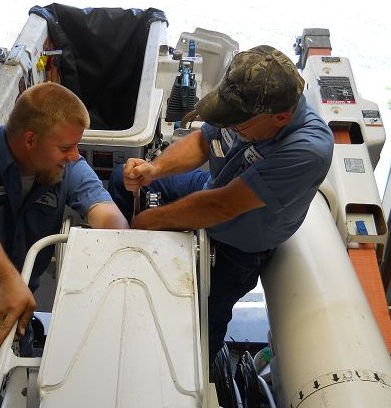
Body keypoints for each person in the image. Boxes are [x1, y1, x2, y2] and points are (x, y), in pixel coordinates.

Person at [109, 45, 334, 364]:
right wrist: (154, 169)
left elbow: (221, 207)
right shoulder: (251, 102)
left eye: (238, 126)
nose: (229, 128)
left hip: (237, 246)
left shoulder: (307, 150)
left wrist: (148, 222)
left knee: (201, 325)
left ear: (281, 117)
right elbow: (203, 140)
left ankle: (196, 370)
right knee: (122, 179)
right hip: (209, 188)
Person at [0, 82, 129, 408]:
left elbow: (109, 217)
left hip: (23, 275)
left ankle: (25, 349)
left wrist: (117, 258)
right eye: (66, 147)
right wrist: (7, 282)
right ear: (30, 139)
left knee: (21, 341)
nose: (75, 156)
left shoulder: (66, 166)